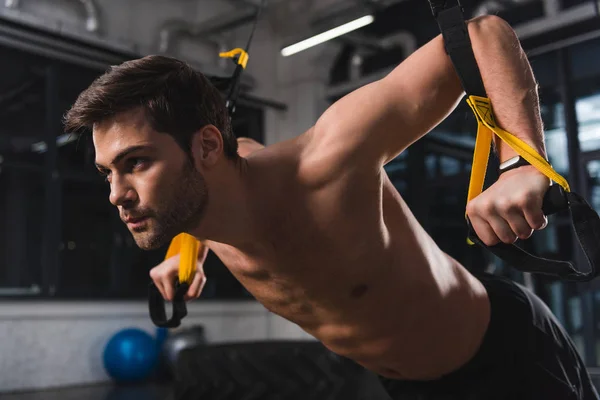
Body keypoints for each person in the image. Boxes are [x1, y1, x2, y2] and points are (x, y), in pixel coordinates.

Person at [64, 14, 598, 399]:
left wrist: (520, 163)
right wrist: (190, 250)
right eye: (107, 171)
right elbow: (217, 182)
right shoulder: (211, 195)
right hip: (405, 385)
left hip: (501, 354)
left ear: (205, 147)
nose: (115, 193)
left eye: (135, 163)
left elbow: (479, 36)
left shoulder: (329, 161)